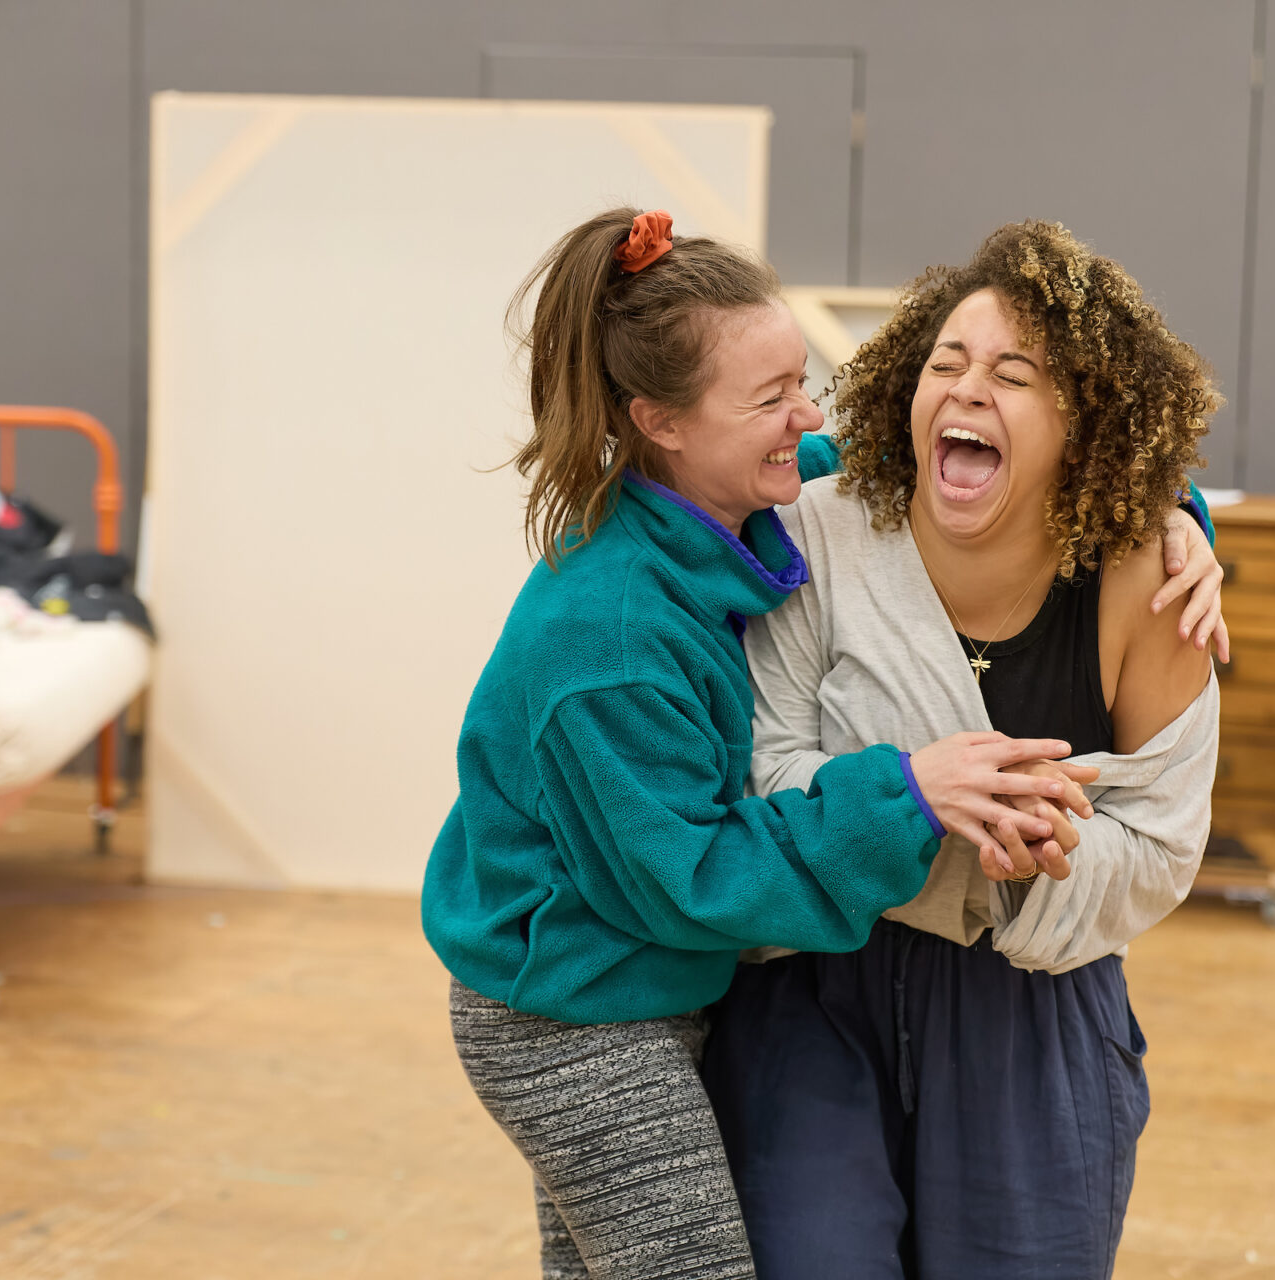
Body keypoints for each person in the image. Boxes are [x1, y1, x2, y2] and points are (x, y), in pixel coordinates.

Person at [420, 208, 1183, 1280]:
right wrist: (905, 796)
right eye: (772, 398)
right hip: (574, 1012)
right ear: (661, 420)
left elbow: (943, 454)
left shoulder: (733, 493)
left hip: (642, 982)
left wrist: (1168, 510)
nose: (807, 415)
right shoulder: (614, 639)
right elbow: (694, 879)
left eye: (802, 382)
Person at [701, 220, 1223, 1279]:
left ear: (1084, 425)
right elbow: (759, 777)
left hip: (1033, 1010)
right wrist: (909, 799)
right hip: (814, 989)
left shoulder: (1150, 581)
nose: (969, 387)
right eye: (946, 362)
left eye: (1013, 373)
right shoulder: (818, 536)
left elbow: (1164, 844)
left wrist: (1041, 858)